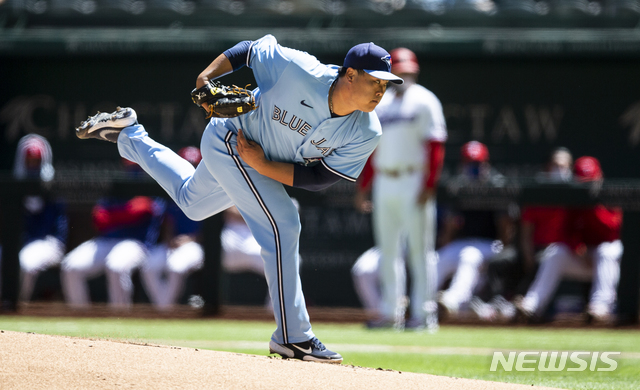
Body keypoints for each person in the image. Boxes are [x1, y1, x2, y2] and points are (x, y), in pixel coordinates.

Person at [74, 35, 403, 363]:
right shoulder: (301, 70)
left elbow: (320, 179)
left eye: (386, 84)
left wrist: (264, 165)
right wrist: (206, 78)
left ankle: (130, 134)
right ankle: (294, 337)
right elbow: (250, 49)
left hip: (257, 161)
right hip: (231, 137)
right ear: (350, 75)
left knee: (192, 201)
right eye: (375, 80)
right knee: (284, 223)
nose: (380, 90)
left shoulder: (366, 130)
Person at [353, 47, 446, 331]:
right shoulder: (381, 102)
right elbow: (372, 148)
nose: (405, 76)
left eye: (408, 71)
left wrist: (429, 184)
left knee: (420, 251)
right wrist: (364, 186)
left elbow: (436, 146)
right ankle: (390, 314)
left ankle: (423, 316)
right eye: (400, 71)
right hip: (385, 180)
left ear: (415, 71)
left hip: (413, 178)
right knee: (388, 251)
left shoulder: (425, 100)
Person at [515, 156, 623, 323]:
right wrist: (577, 247)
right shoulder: (572, 199)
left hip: (604, 260)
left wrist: (592, 206)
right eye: (582, 181)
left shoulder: (609, 196)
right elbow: (565, 232)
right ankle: (532, 306)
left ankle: (600, 308)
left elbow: (611, 231)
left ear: (599, 177)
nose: (586, 186)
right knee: (555, 252)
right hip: (582, 257)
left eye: (589, 181)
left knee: (608, 250)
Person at [60, 160, 165, 309]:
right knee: (71, 266)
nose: (134, 169)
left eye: (137, 165)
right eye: (131, 165)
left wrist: (114, 216)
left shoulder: (152, 184)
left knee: (116, 266)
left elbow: (143, 209)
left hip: (135, 242)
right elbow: (99, 218)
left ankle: (120, 318)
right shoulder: (117, 183)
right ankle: (81, 316)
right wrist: (126, 213)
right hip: (105, 240)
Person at [436, 141, 515, 319]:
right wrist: (445, 247)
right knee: (435, 260)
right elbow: (450, 226)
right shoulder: (457, 186)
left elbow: (505, 227)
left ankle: (451, 301)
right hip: (462, 243)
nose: (473, 167)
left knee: (469, 256)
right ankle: (418, 300)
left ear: (485, 162)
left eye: (477, 163)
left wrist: (500, 257)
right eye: (469, 162)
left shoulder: (496, 185)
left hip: (489, 244)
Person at [140, 147, 204, 310]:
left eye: (194, 165)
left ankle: (165, 312)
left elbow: (212, 229)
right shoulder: (172, 190)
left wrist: (190, 239)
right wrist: (169, 239)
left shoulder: (208, 191)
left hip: (196, 244)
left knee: (176, 267)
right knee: (148, 266)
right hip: (173, 243)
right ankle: (164, 309)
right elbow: (168, 222)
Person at [9, 134, 69, 302]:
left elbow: (52, 227)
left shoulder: (53, 185)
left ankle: (16, 307)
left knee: (25, 263)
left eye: (36, 160)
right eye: (30, 160)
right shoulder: (15, 186)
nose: (33, 164)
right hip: (22, 241)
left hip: (49, 241)